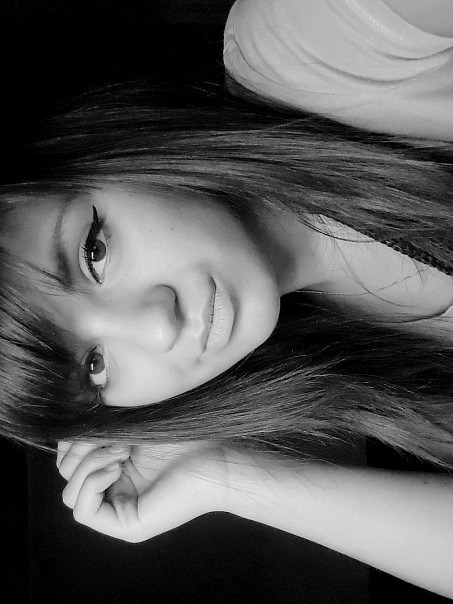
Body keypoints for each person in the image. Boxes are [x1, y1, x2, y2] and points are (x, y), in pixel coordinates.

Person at [1, 0, 453, 597]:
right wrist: (228, 478)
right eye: (96, 365)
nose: (159, 328)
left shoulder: (309, 47)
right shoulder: (383, 380)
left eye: (94, 253)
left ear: (104, 148)